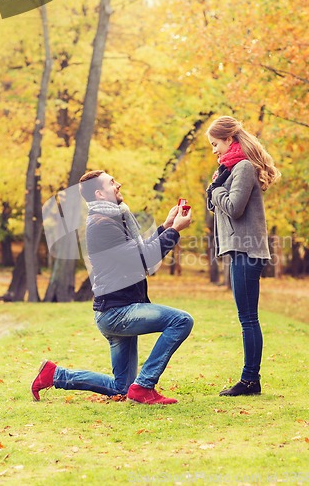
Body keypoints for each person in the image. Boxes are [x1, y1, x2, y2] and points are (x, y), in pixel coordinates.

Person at [31, 170, 193, 405]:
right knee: (181, 321)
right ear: (99, 193)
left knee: (122, 388)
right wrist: (175, 231)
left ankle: (55, 375)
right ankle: (145, 386)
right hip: (117, 313)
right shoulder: (102, 225)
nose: (119, 184)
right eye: (111, 182)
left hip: (116, 310)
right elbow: (144, 260)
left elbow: (138, 253)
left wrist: (166, 226)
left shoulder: (114, 219)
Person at [206, 116, 280, 396]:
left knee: (248, 318)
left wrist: (216, 191)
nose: (214, 150)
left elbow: (235, 207)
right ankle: (250, 379)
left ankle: (250, 380)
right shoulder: (231, 170)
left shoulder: (244, 168)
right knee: (246, 317)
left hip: (247, 251)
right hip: (240, 250)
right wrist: (217, 190)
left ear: (229, 139)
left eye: (216, 144)